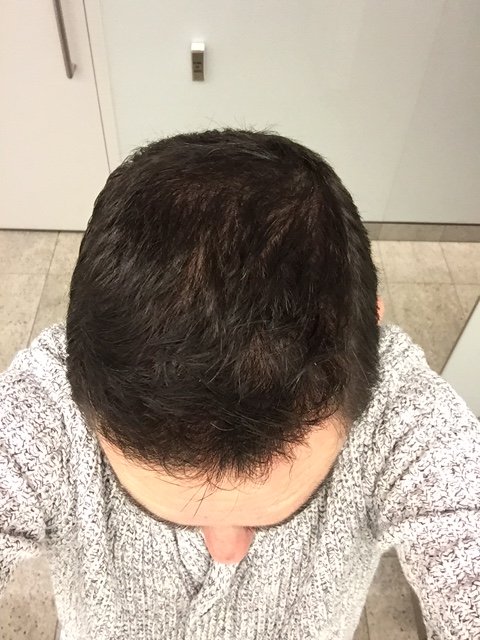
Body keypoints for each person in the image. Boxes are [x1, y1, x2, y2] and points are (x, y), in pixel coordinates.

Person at [0, 128, 478, 640]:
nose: (227, 552)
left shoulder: (399, 417)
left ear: (372, 330)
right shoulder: (48, 411)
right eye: (171, 517)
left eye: (269, 517)